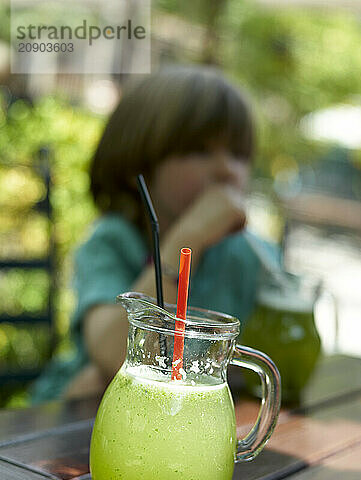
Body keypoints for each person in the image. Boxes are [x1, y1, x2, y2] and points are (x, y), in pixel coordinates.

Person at [30, 64, 281, 404]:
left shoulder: (252, 256)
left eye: (238, 154)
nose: (225, 169)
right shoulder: (114, 242)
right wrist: (189, 237)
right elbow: (113, 356)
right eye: (200, 151)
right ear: (143, 159)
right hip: (70, 418)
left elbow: (279, 361)